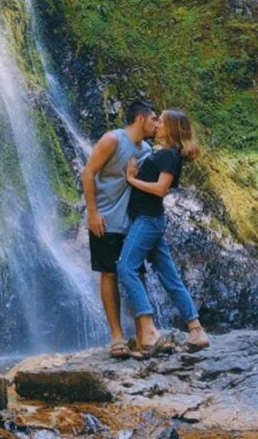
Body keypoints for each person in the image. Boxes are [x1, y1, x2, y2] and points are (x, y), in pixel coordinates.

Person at [117, 109, 210, 357]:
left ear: (171, 128)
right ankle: (196, 330)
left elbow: (160, 189)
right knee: (170, 277)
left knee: (125, 267)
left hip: (148, 220)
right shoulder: (166, 153)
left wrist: (131, 180)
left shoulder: (169, 154)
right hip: (152, 220)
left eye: (161, 121)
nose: (156, 124)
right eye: (155, 120)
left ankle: (149, 332)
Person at [82, 99, 157, 359]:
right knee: (109, 274)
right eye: (153, 119)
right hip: (105, 219)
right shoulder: (112, 140)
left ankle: (144, 335)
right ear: (140, 118)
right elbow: (88, 172)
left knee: (138, 274)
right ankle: (116, 337)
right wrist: (92, 212)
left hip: (132, 222)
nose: (156, 124)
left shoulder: (147, 149)